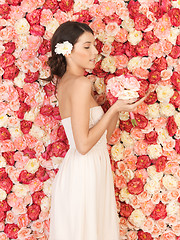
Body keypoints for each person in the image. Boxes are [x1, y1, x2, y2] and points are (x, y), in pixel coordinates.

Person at [47, 21, 152, 240]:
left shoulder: (69, 82)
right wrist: (114, 108)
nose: (95, 52)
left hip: (90, 169)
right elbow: (83, 145)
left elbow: (104, 135)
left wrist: (113, 107)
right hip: (84, 171)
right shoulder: (81, 84)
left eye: (94, 45)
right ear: (68, 51)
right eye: (87, 47)